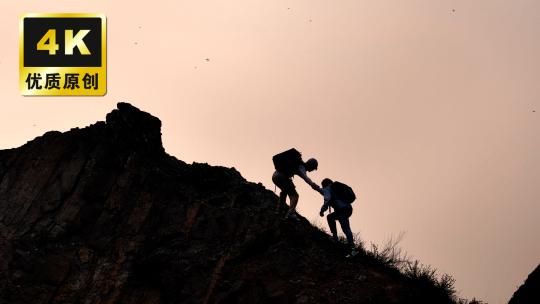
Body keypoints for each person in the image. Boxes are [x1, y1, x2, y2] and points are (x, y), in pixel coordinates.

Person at [272, 151, 320, 220]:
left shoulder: (298, 162)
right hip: (282, 176)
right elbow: (305, 177)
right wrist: (313, 185)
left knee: (285, 191)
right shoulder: (301, 167)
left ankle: (278, 211)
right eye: (313, 168)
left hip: (275, 176)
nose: (312, 170)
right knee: (294, 195)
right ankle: (290, 214)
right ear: (311, 166)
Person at [319, 178, 358, 257]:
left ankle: (352, 247)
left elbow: (326, 201)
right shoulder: (336, 188)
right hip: (348, 208)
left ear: (324, 185)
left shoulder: (328, 189)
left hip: (342, 209)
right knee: (332, 218)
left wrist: (322, 211)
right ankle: (340, 240)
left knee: (345, 228)